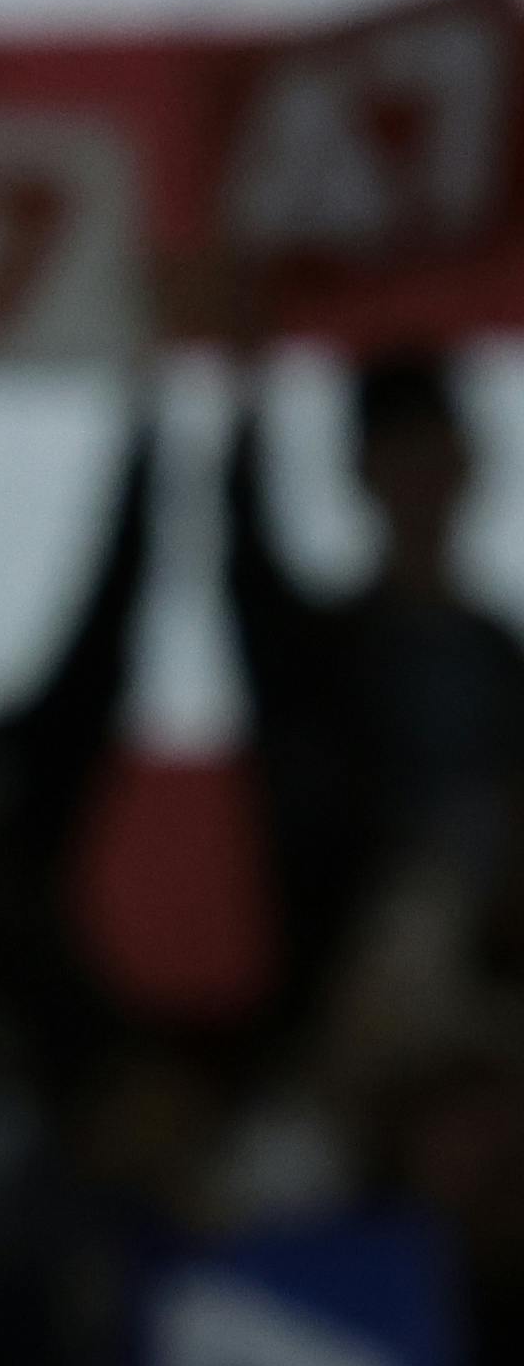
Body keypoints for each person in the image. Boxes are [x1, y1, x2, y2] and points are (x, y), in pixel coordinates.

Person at [222, 337, 523, 1039]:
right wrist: (245, 382)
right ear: (364, 472)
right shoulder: (321, 655)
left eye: (433, 456)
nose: (421, 482)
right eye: (402, 457)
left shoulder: (497, 654)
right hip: (356, 974)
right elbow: (246, 572)